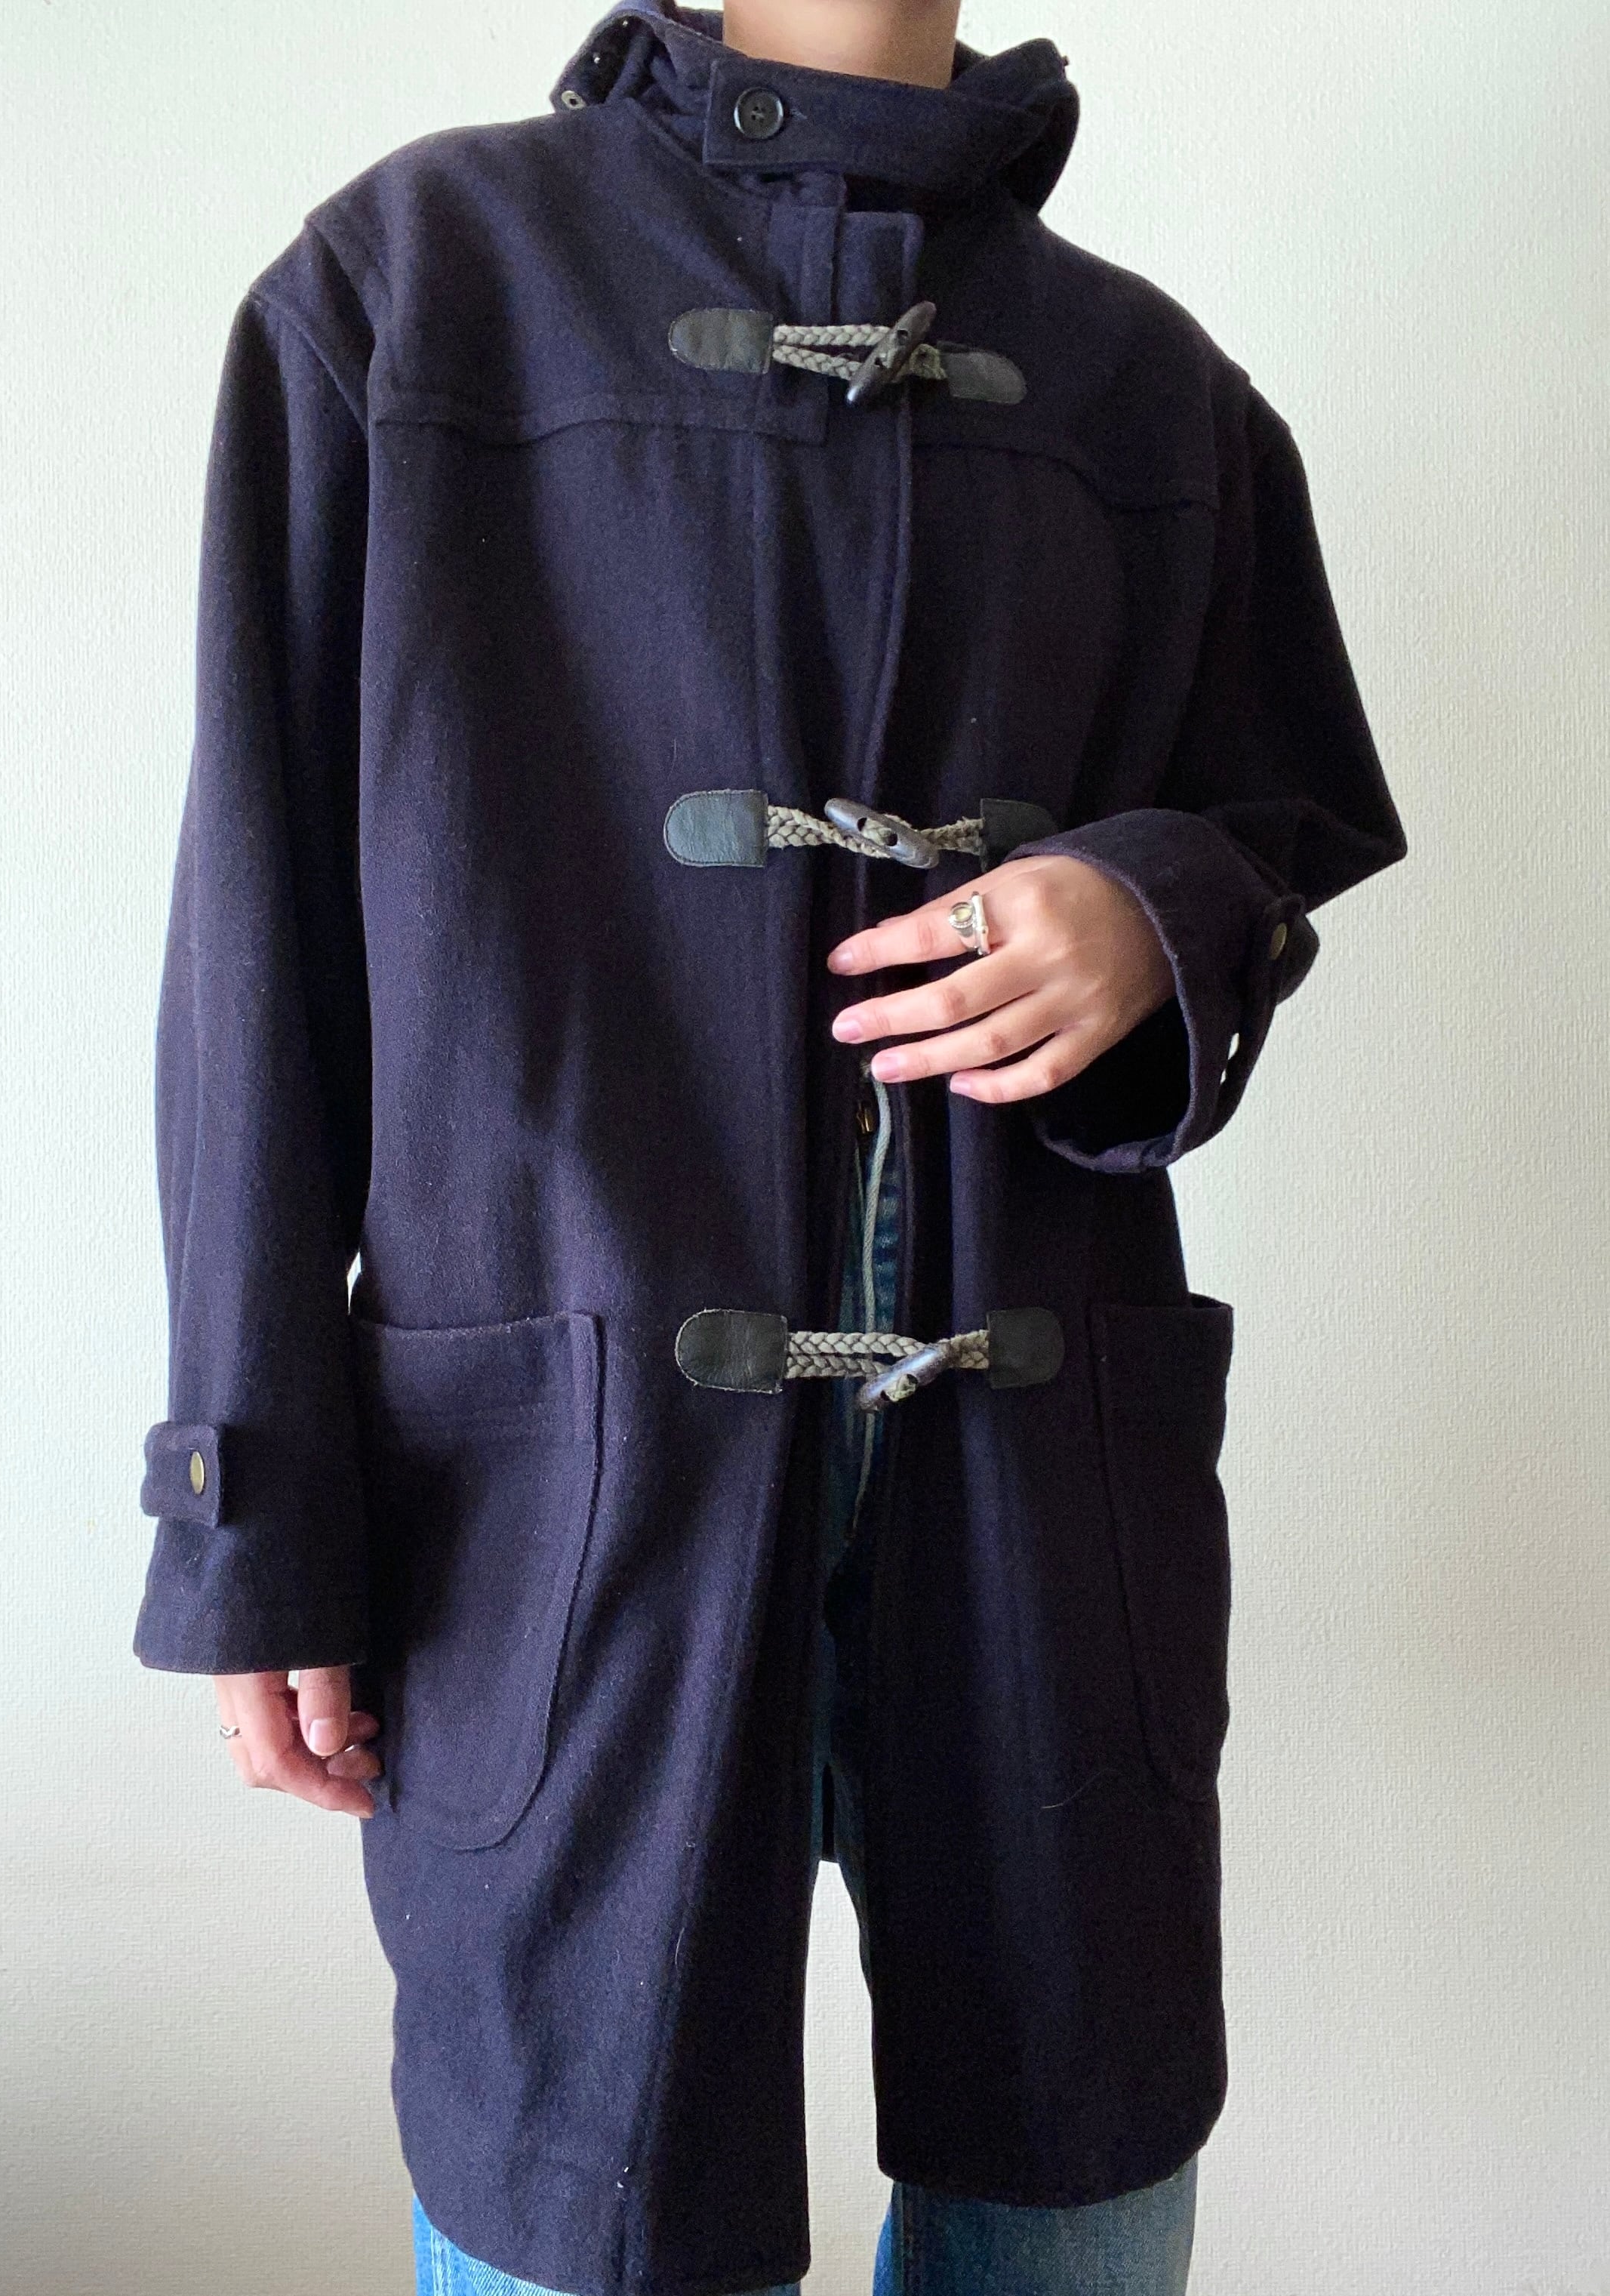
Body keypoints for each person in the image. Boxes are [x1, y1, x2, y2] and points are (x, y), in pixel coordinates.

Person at [134, 4, 1408, 2292]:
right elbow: (259, 937)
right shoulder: (415, 289)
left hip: (1043, 1478)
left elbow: (1272, 822)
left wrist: (1152, 907)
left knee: (1074, 2183)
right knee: (588, 2201)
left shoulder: (1148, 389)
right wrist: (249, 1503)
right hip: (565, 1488)